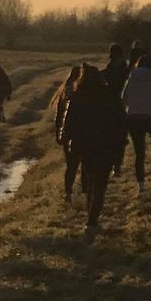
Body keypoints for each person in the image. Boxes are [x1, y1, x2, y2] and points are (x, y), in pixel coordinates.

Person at [60, 65, 124, 233]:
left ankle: (91, 217)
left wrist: (67, 139)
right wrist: (120, 144)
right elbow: (120, 121)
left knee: (90, 179)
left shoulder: (78, 96)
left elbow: (69, 123)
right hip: (106, 144)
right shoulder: (111, 95)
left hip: (85, 145)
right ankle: (92, 219)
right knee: (100, 184)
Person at [120, 45, 151, 188]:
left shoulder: (131, 78)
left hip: (134, 116)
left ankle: (141, 183)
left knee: (139, 151)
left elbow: (124, 98)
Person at [52, 63, 85, 202]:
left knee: (71, 164)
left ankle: (68, 192)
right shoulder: (80, 92)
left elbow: (60, 115)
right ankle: (82, 190)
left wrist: (58, 132)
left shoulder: (64, 91)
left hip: (66, 133)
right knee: (82, 163)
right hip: (79, 132)